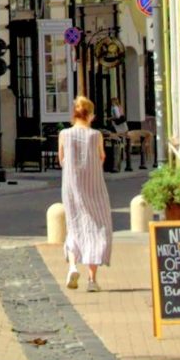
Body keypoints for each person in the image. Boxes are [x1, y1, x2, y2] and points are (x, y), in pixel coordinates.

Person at [60, 95, 113, 291]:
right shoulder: (95, 135)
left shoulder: (64, 134)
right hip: (94, 187)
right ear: (89, 115)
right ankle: (92, 280)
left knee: (74, 225)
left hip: (72, 187)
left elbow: (62, 159)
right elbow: (102, 157)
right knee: (98, 227)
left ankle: (73, 266)